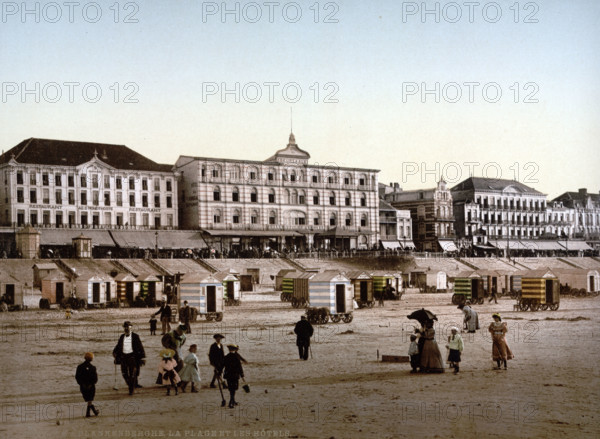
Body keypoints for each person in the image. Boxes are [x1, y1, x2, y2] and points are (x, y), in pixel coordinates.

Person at [113, 321, 146, 395]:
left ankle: (131, 389)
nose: (126, 328)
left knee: (132, 374)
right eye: (125, 327)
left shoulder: (135, 336)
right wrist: (114, 352)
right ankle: (131, 384)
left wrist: (142, 358)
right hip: (123, 357)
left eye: (128, 327)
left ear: (131, 327)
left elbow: (140, 347)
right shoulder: (122, 337)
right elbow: (118, 346)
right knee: (124, 373)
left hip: (132, 357)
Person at [75, 352, 99, 417]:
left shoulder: (80, 367)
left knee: (89, 400)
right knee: (90, 399)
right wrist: (90, 384)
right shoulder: (93, 368)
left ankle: (93, 412)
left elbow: (77, 377)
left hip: (83, 386)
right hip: (91, 386)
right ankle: (90, 412)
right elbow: (95, 379)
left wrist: (82, 384)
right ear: (91, 359)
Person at [223, 344, 245, 408]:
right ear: (234, 349)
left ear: (229, 349)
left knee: (231, 388)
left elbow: (222, 365)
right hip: (235, 375)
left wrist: (218, 371)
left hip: (228, 375)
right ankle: (231, 401)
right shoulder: (236, 357)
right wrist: (242, 375)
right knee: (234, 388)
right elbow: (239, 367)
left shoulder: (226, 357)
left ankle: (233, 400)